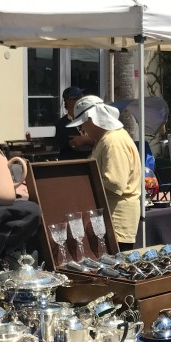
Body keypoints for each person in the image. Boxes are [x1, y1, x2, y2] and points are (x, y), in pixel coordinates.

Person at [66, 95, 141, 248]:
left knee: (117, 268)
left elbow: (114, 184)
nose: (82, 130)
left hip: (116, 221)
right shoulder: (108, 138)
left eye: (82, 125)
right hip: (111, 218)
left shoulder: (112, 141)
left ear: (91, 119)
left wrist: (81, 189)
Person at [53, 87, 92, 160]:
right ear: (69, 102)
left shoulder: (89, 120)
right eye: (79, 98)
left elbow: (99, 140)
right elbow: (75, 144)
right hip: (73, 166)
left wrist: (85, 140)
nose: (83, 101)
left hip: (91, 163)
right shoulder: (62, 124)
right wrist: (89, 140)